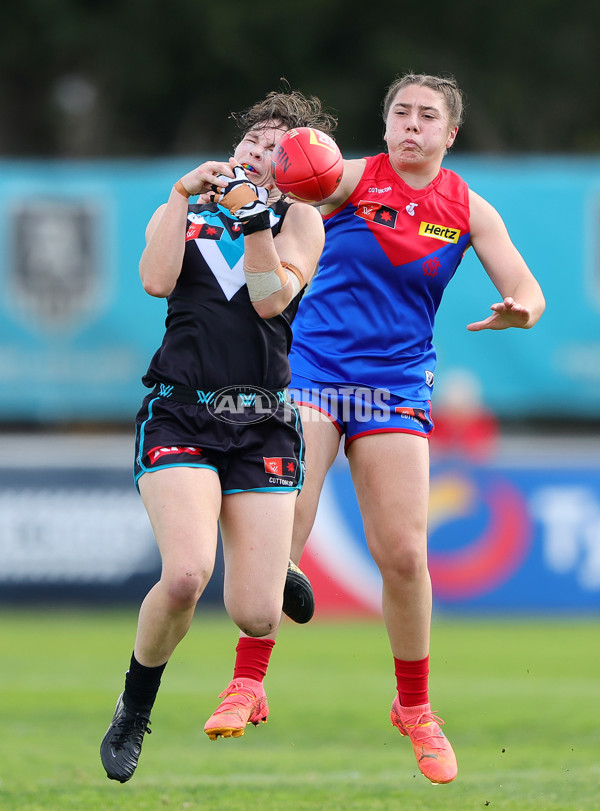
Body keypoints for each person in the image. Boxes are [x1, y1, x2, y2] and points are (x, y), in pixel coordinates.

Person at [218, 73, 546, 785]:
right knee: (285, 525)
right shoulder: (347, 178)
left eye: (428, 116)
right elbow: (298, 191)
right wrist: (257, 178)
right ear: (387, 121)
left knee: (402, 553)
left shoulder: (467, 207)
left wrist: (521, 305)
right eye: (401, 111)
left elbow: (528, 287)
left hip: (396, 385)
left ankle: (415, 708)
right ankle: (249, 681)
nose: (411, 125)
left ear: (449, 134)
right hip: (314, 374)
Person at [99, 89, 336, 783]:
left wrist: (255, 218)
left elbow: (270, 298)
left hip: (260, 417)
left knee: (259, 616)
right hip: (180, 410)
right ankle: (135, 708)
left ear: (293, 166)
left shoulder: (301, 222)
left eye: (275, 148)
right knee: (186, 575)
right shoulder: (187, 211)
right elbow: (153, 280)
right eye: (252, 142)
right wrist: (179, 196)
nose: (256, 153)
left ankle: (274, 571)